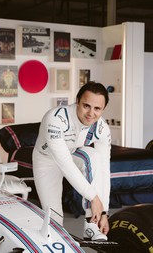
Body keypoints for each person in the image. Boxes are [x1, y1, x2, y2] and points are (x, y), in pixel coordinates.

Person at [33, 81, 111, 241]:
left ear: (103, 109)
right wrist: (93, 197)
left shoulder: (102, 128)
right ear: (77, 101)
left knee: (94, 156)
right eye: (86, 106)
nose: (91, 113)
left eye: (97, 109)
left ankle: (92, 224)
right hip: (46, 160)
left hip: (72, 153)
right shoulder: (56, 118)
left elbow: (104, 168)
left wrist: (104, 211)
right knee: (54, 219)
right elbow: (64, 162)